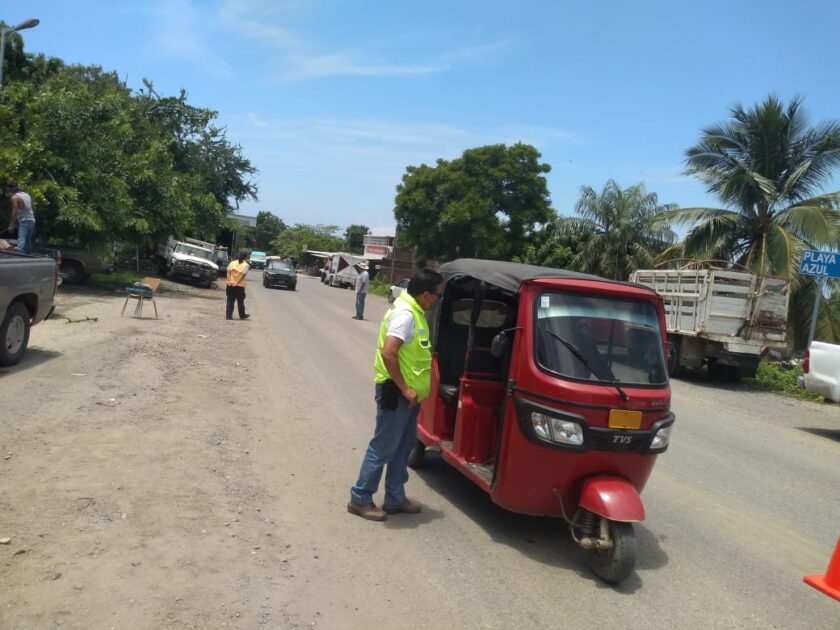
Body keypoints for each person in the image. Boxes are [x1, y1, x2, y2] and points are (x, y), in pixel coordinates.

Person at [348, 268, 444, 521]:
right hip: (398, 394)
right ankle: (360, 498)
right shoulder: (405, 315)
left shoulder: (415, 312)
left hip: (410, 398)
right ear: (425, 294)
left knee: (403, 447)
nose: (437, 300)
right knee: (383, 447)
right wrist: (405, 388)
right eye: (437, 295)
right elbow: (389, 352)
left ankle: (395, 498)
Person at [6, 180, 36, 254]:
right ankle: (29, 258)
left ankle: (19, 256)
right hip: (32, 220)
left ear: (9, 188)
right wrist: (30, 216)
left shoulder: (14, 198)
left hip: (25, 221)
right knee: (27, 241)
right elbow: (34, 207)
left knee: (21, 240)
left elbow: (14, 212)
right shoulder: (26, 195)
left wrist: (11, 226)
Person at [226, 252, 251, 320]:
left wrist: (229, 281)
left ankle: (228, 316)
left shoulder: (232, 263)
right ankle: (242, 316)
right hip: (239, 286)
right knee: (240, 302)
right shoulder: (246, 265)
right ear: (245, 258)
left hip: (230, 285)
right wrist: (236, 283)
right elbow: (243, 275)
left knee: (230, 300)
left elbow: (228, 272)